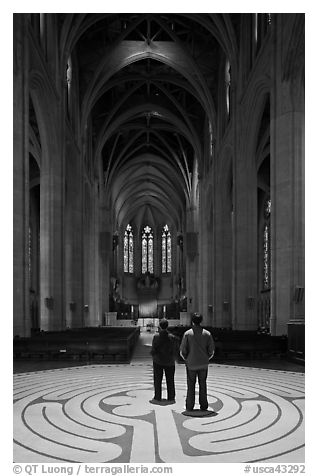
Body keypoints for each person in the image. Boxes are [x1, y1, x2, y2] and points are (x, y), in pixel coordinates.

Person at [180, 312, 215, 411]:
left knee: (191, 385)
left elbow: (183, 351)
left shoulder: (187, 334)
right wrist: (206, 358)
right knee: (203, 384)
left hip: (191, 364)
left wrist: (187, 359)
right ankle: (204, 405)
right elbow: (211, 351)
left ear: (192, 321)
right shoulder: (207, 334)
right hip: (203, 364)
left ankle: (189, 406)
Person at [150, 318, 179, 404]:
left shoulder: (156, 337)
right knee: (170, 380)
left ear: (159, 326)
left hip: (158, 361)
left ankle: (157, 396)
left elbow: (153, 349)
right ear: (167, 326)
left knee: (157, 380)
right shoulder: (172, 337)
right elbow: (176, 349)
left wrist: (154, 355)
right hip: (170, 361)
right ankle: (171, 397)